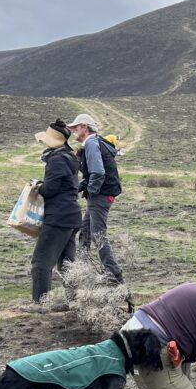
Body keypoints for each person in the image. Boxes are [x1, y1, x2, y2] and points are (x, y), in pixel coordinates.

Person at [26, 119, 81, 311]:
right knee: (67, 264)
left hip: (58, 217)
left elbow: (50, 190)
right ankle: (74, 301)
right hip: (72, 216)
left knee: (41, 262)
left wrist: (38, 187)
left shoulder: (56, 160)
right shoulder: (70, 157)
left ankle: (41, 304)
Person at [70, 113, 124, 285]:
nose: (73, 131)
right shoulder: (94, 142)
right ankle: (82, 270)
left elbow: (98, 172)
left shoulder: (92, 144)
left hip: (100, 196)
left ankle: (114, 275)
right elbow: (94, 174)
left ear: (85, 127)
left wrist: (91, 191)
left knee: (98, 235)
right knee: (85, 233)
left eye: (75, 128)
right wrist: (80, 187)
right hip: (101, 194)